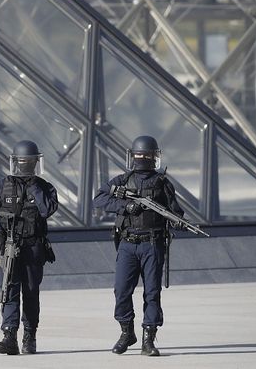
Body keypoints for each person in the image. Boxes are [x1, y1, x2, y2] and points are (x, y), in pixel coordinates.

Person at [92, 135, 184, 357]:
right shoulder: (122, 181)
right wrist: (126, 206)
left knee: (152, 293)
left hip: (152, 243)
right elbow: (99, 199)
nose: (143, 158)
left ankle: (148, 339)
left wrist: (177, 222)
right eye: (142, 155)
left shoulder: (162, 183)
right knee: (121, 290)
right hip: (127, 244)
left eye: (146, 155)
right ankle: (127, 332)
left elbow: (176, 212)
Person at [0, 140, 58, 355]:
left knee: (31, 293)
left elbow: (46, 210)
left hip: (33, 248)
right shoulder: (3, 186)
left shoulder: (45, 187)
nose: (24, 166)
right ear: (15, 162)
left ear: (36, 163)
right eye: (21, 162)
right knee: (8, 290)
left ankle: (29, 335)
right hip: (8, 247)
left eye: (29, 162)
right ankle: (9, 336)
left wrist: (33, 185)